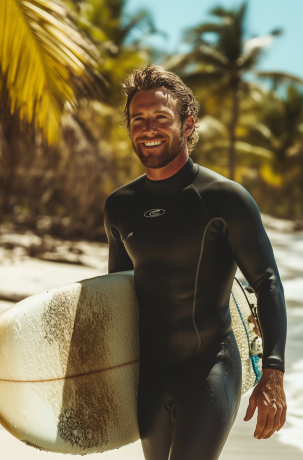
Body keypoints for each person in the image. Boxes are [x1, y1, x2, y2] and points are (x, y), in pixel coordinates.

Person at [104, 66, 287, 460]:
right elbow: (117, 296)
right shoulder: (120, 207)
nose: (148, 128)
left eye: (160, 118)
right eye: (138, 120)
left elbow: (267, 282)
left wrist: (272, 373)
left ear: (187, 125)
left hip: (210, 368)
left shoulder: (225, 199)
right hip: (150, 376)